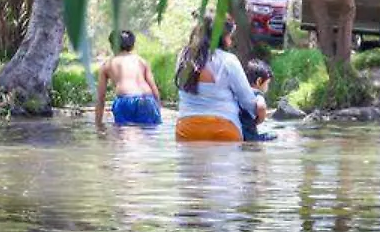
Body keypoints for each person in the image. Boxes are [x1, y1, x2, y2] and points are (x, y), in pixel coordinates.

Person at [174, 14, 259, 142]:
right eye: (230, 36)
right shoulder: (228, 60)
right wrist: (259, 113)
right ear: (223, 37)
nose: (231, 41)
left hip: (187, 130)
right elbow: (248, 101)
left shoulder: (184, 57)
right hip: (223, 129)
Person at [95, 30, 163, 126]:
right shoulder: (141, 61)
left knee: (126, 136)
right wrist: (158, 111)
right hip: (146, 99)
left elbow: (101, 98)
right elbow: (155, 91)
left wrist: (98, 124)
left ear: (112, 46)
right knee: (148, 134)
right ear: (132, 45)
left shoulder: (107, 65)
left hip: (124, 101)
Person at [240, 59, 276, 142]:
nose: (267, 87)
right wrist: (259, 120)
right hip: (250, 136)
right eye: (267, 83)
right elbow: (261, 107)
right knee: (277, 136)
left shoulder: (240, 92)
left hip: (238, 133)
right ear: (259, 81)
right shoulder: (256, 93)